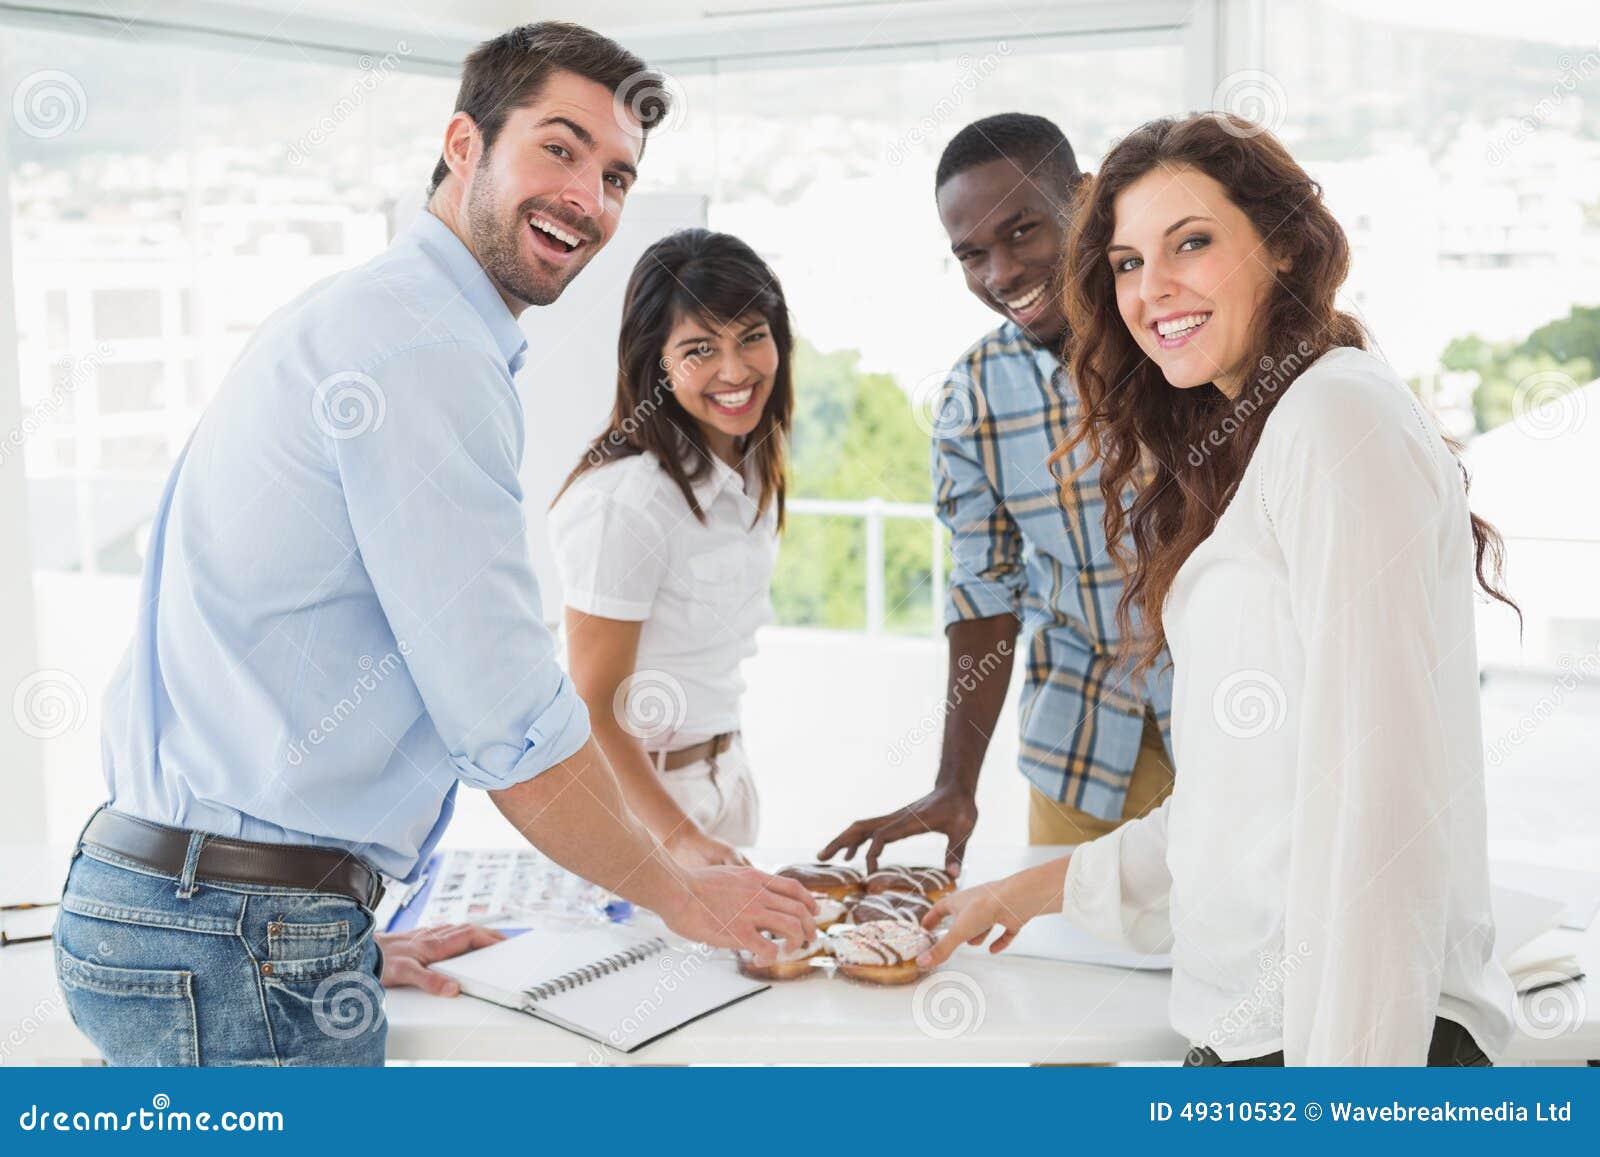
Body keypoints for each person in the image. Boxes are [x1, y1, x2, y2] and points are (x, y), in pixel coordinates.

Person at [53, 22, 814, 1068]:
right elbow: (505, 719)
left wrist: (333, 935)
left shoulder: (376, 317)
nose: (589, 198)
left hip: (207, 909)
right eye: (558, 147)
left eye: (617, 175)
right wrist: (686, 892)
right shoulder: (422, 347)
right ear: (464, 144)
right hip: (227, 927)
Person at [917, 112, 1518, 1067]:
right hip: (1250, 1034)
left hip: (1330, 1045)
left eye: (1190, 243)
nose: (1152, 290)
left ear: (1280, 244)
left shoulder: (1336, 417)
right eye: (1124, 263)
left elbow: (1382, 805)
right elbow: (1240, 809)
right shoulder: (1259, 438)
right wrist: (1014, 893)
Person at [821, 114, 1173, 874]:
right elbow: (984, 588)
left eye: (1022, 233)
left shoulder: (1182, 337)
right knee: (1080, 971)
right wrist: (954, 782)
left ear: (1083, 200)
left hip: (1233, 722)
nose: (1002, 274)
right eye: (972, 254)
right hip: (1080, 746)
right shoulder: (975, 394)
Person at [550, 229, 792, 868]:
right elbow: (593, 710)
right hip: (642, 806)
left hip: (726, 781)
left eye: (753, 337)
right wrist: (682, 841)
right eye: (699, 349)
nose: (736, 371)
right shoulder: (626, 501)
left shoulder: (751, 470)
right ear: (654, 360)